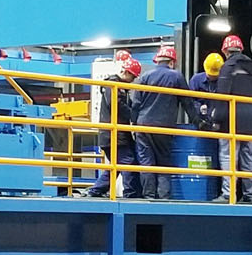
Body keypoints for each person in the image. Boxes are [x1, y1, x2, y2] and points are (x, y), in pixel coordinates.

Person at [129, 45, 189, 199]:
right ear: (172, 62)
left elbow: (136, 104)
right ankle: (163, 197)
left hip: (143, 126)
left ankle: (148, 196)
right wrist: (199, 123)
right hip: (164, 127)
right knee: (163, 162)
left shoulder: (145, 77)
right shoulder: (176, 77)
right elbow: (188, 103)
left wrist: (133, 125)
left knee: (146, 163)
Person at [79, 55, 141, 198]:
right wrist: (133, 115)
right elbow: (116, 105)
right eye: (132, 77)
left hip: (115, 135)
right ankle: (130, 194)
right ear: (126, 72)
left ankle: (96, 191)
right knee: (127, 162)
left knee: (116, 165)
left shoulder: (120, 88)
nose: (133, 80)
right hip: (114, 135)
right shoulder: (113, 85)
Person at [211, 35, 252, 202]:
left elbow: (223, 96)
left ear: (225, 51)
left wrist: (216, 120)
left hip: (231, 119)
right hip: (250, 119)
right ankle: (250, 195)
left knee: (228, 155)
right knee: (249, 157)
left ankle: (228, 194)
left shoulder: (228, 67)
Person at [189, 52, 224, 130]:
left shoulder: (224, 83)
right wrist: (199, 108)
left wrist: (219, 112)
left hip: (220, 124)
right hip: (200, 123)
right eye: (211, 75)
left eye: (215, 75)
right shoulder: (196, 80)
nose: (212, 76)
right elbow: (189, 101)